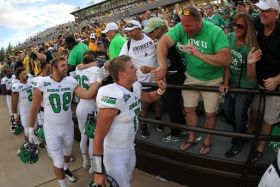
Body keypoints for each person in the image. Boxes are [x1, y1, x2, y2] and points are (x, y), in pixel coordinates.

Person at [152, 6, 231, 155]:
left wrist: (199, 54)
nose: (184, 28)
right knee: (189, 110)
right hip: (191, 77)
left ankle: (207, 140)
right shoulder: (181, 28)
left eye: (188, 25)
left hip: (212, 79)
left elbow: (226, 59)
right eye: (183, 24)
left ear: (199, 21)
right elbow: (163, 41)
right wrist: (162, 64)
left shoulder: (215, 32)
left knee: (209, 114)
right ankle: (192, 137)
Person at [28, 56, 106, 187]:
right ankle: (62, 184)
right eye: (62, 65)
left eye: (66, 65)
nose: (66, 67)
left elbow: (87, 95)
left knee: (67, 154)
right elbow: (34, 108)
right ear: (54, 68)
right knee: (57, 161)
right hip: (51, 128)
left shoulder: (70, 81)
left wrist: (99, 79)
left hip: (67, 126)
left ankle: (65, 169)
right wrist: (30, 128)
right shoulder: (43, 83)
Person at [92, 55, 166, 187]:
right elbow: (98, 137)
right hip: (115, 153)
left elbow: (148, 97)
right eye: (132, 67)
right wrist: (98, 171)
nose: (136, 69)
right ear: (122, 74)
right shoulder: (113, 95)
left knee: (127, 180)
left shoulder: (135, 86)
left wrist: (161, 90)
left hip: (130, 147)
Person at [219, 12, 262, 157]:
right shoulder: (229, 38)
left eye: (240, 26)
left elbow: (251, 77)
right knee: (228, 111)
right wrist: (225, 82)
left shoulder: (252, 46)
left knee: (239, 114)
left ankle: (236, 143)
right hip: (232, 83)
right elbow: (226, 63)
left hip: (246, 86)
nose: (235, 27)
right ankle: (241, 131)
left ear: (247, 28)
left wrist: (250, 63)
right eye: (234, 23)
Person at [143, 17, 186, 143]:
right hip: (178, 75)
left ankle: (175, 133)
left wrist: (150, 69)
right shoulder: (169, 38)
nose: (149, 34)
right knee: (176, 105)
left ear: (159, 29)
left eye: (151, 32)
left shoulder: (165, 42)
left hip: (173, 77)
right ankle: (182, 128)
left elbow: (167, 67)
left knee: (173, 106)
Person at [249, 0, 280, 163]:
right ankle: (250, 133)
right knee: (254, 110)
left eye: (265, 10)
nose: (261, 13)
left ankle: (260, 147)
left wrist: (276, 79)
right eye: (260, 9)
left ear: (275, 13)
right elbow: (243, 22)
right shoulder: (259, 24)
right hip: (259, 81)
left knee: (268, 117)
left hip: (275, 86)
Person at [120, 20, 158, 138]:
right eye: (127, 32)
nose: (129, 34)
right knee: (144, 106)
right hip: (141, 81)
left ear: (139, 29)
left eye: (131, 31)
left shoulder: (151, 38)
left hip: (156, 77)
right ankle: (144, 126)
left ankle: (158, 120)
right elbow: (121, 59)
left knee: (159, 102)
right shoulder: (127, 44)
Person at [74, 51, 100, 173]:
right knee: (92, 138)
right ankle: (93, 165)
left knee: (84, 136)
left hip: (81, 105)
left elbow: (81, 65)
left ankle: (85, 161)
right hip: (90, 106)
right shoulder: (95, 70)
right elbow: (93, 91)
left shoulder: (78, 69)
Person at [12, 67, 33, 142]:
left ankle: (36, 141)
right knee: (27, 131)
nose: (26, 75)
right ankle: (27, 144)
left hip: (33, 109)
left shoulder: (31, 81)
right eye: (24, 74)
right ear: (19, 76)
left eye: (26, 73)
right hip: (25, 111)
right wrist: (16, 115)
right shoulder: (16, 86)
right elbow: (14, 102)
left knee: (34, 128)